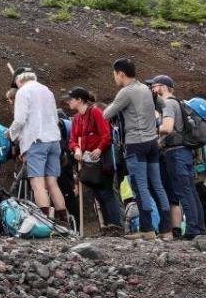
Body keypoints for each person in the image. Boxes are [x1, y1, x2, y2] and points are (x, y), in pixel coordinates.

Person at [102, 58, 173, 240]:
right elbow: (163, 105)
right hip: (152, 143)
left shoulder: (126, 92)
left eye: (114, 75)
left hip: (135, 144)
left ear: (121, 74)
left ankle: (147, 230)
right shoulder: (146, 89)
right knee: (157, 185)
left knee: (140, 186)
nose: (114, 78)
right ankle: (167, 230)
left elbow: (106, 114)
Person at [8, 68, 70, 226]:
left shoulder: (23, 92)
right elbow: (55, 118)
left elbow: (20, 120)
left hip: (36, 140)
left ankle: (44, 220)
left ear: (18, 81)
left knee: (37, 183)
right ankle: (64, 219)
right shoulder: (47, 91)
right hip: (53, 140)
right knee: (52, 182)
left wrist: (11, 133)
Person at [149, 75, 205, 239]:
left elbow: (167, 127)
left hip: (175, 153)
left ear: (163, 87)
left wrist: (152, 132)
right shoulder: (177, 102)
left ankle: (192, 231)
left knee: (183, 192)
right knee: (191, 191)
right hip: (184, 152)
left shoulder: (167, 103)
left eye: (154, 86)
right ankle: (199, 228)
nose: (152, 90)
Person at [66, 87, 123, 235]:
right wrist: (77, 149)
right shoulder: (77, 118)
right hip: (88, 163)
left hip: (102, 160)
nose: (68, 102)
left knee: (106, 192)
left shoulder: (96, 112)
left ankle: (116, 226)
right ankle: (107, 227)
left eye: (71, 99)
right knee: (97, 194)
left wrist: (99, 148)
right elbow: (72, 140)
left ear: (79, 100)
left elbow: (106, 134)